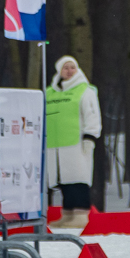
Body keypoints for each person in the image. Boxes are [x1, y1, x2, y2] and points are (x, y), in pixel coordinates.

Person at [46, 56, 101, 228]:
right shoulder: (50, 92)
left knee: (78, 179)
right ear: (59, 71)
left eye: (72, 67)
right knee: (63, 180)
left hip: (76, 143)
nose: (69, 71)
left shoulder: (85, 90)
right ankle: (68, 213)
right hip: (55, 146)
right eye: (65, 68)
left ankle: (80, 214)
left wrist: (90, 136)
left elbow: (92, 114)